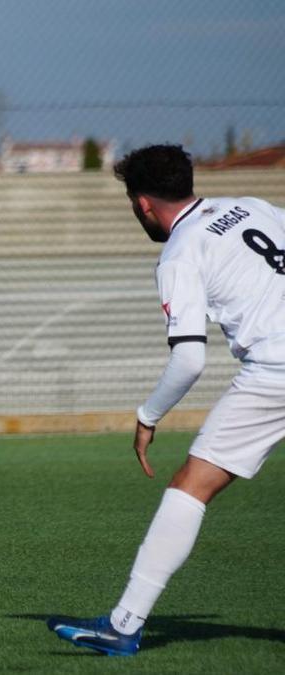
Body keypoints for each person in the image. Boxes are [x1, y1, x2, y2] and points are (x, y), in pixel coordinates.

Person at [48, 144, 285, 656]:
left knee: (190, 486)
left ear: (142, 204)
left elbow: (188, 362)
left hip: (277, 369)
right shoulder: (252, 206)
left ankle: (124, 624)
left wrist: (147, 416)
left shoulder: (180, 252)